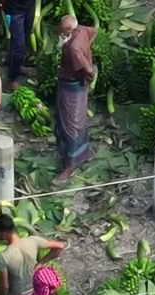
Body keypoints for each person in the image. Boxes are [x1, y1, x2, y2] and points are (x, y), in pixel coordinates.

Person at [53, 15, 98, 181]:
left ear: (69, 31)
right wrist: (87, 49)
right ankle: (83, 152)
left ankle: (71, 165)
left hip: (73, 86)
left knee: (71, 123)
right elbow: (94, 32)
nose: (60, 34)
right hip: (72, 85)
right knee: (77, 119)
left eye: (62, 32)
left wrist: (87, 79)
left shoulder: (74, 50)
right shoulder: (82, 30)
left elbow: (89, 70)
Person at [3, 0, 35, 91]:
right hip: (14, 11)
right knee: (18, 46)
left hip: (29, 6)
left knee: (25, 40)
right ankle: (12, 79)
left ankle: (18, 67)